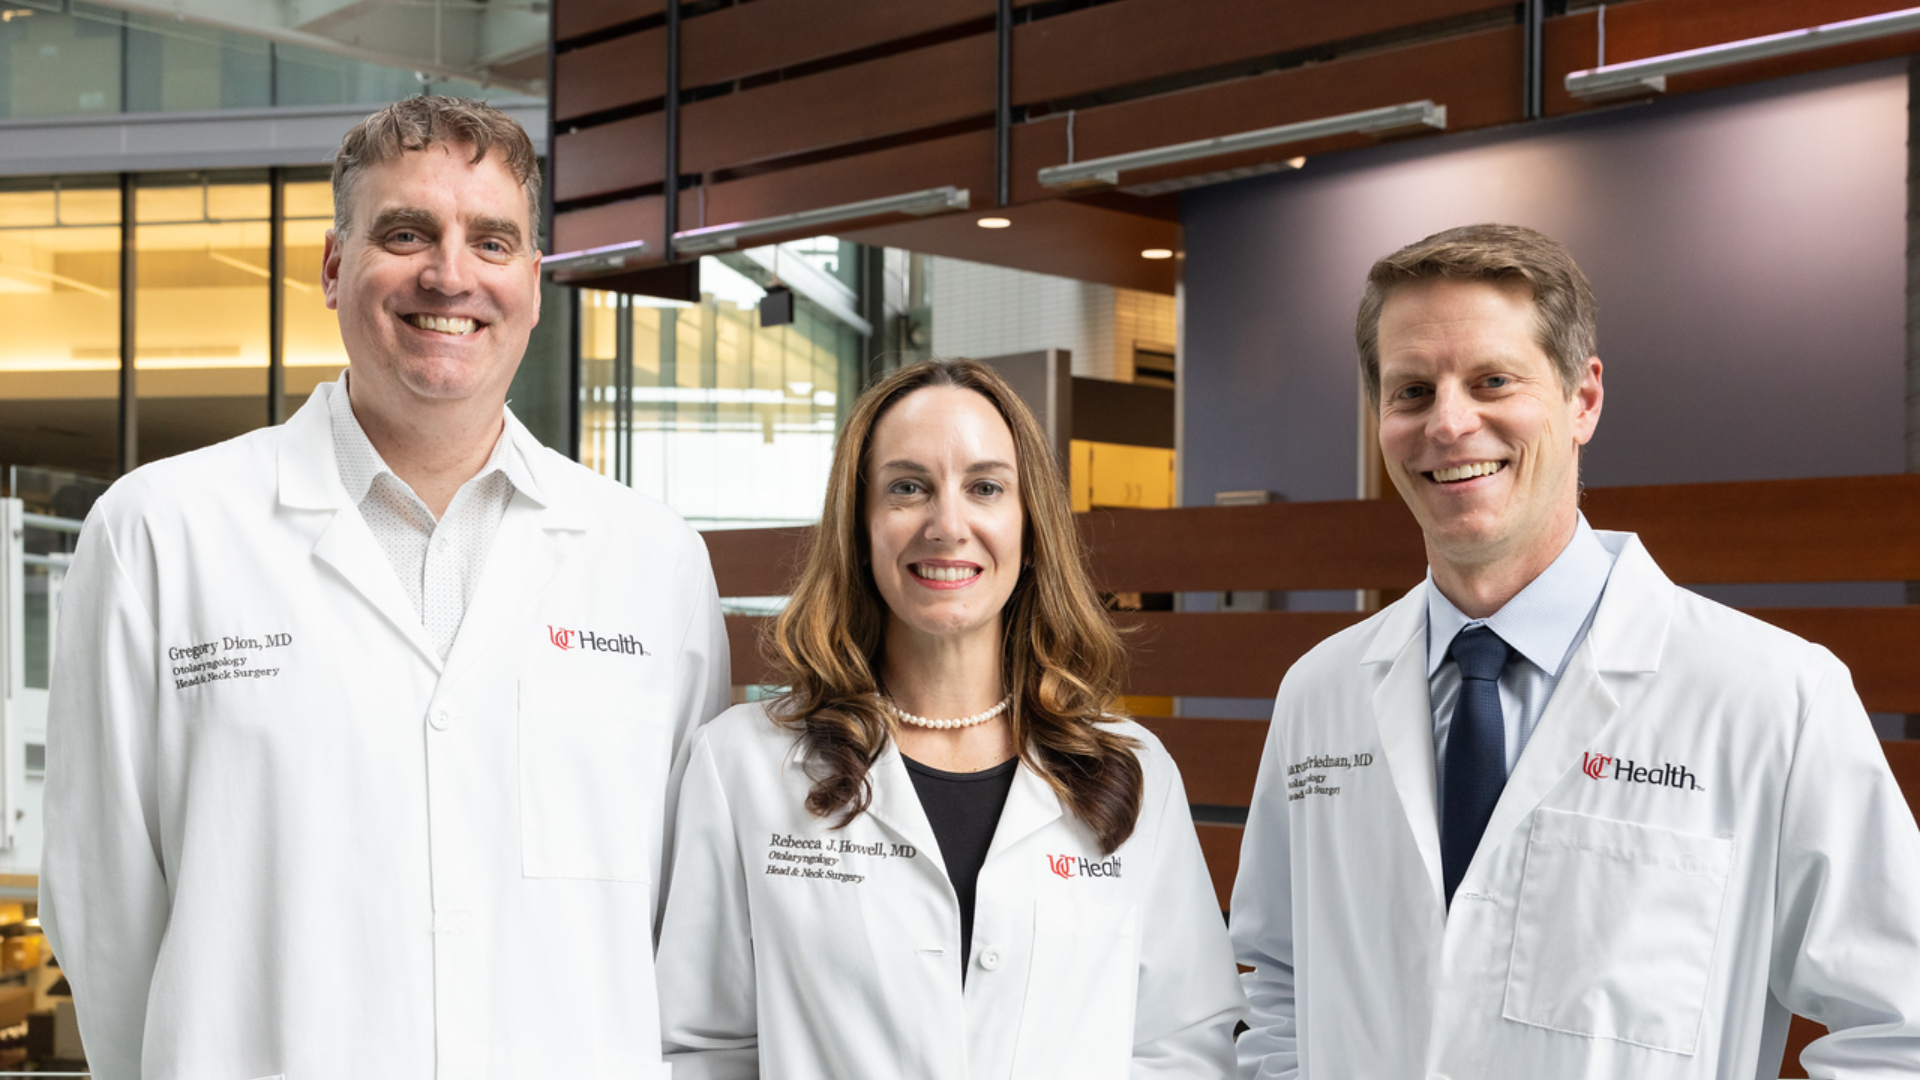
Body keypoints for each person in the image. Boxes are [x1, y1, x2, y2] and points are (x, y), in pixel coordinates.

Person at [39, 96, 729, 1080]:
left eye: (491, 242)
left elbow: (687, 932)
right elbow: (101, 911)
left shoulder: (652, 564)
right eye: (406, 233)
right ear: (333, 267)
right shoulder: (159, 535)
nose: (450, 275)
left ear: (533, 285)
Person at [1229, 223, 1920, 1078]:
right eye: (1412, 391)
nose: (1449, 423)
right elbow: (1280, 988)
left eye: (1492, 380)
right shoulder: (1320, 692)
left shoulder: (1775, 697)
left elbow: (1899, 1029)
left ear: (1583, 399)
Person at [654, 359, 1245, 1078]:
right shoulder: (742, 765)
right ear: (860, 526)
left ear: (1029, 531)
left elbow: (1183, 1041)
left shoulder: (1133, 770)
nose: (947, 524)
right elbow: (702, 1048)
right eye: (908, 488)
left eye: (986, 488)